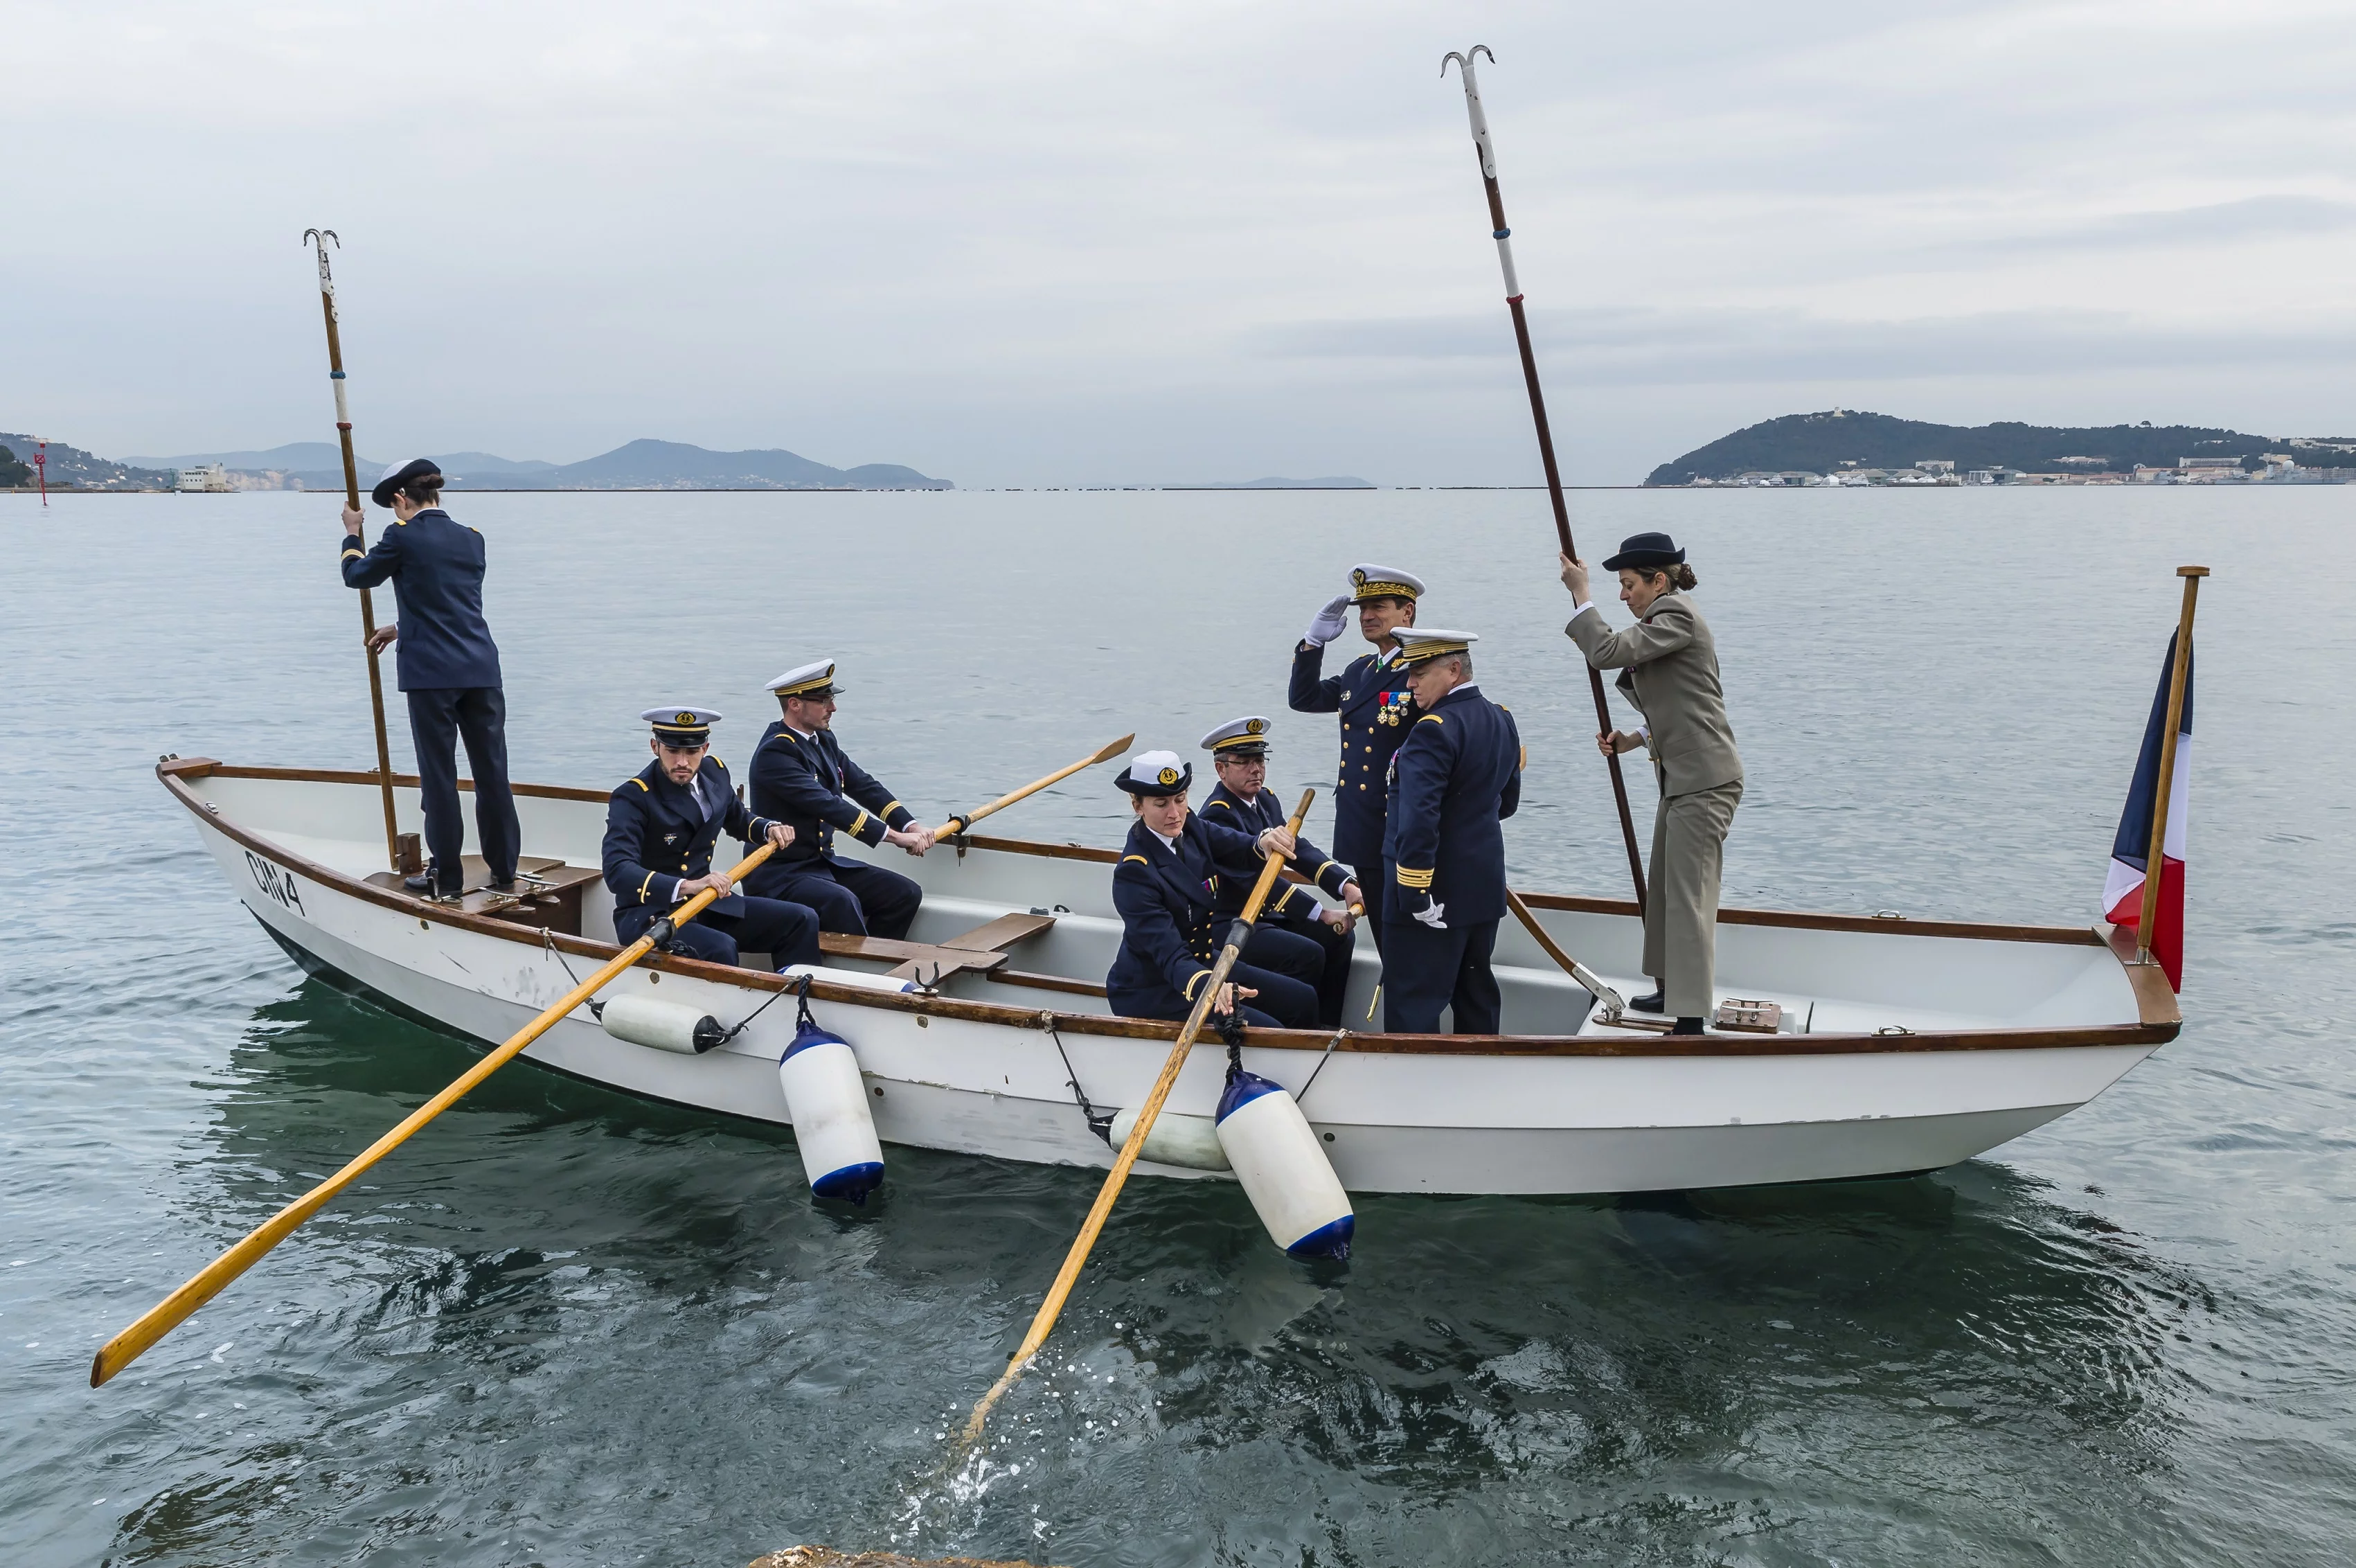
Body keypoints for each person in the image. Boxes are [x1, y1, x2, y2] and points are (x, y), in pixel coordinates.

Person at [1560, 533, 1743, 1035]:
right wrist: (1635, 739)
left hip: (1704, 783)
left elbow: (1605, 651)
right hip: (1682, 778)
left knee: (1688, 897)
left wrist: (1582, 594)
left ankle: (1690, 1015)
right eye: (1617, 587)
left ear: (1658, 581)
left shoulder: (1675, 615)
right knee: (1665, 890)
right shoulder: (1663, 622)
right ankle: (1671, 987)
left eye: (1628, 585)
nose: (1623, 596)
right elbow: (1684, 699)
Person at [340, 458, 521, 902]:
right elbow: (449, 600)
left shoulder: (401, 536)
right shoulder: (473, 539)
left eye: (394, 506)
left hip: (430, 677)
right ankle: (504, 871)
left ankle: (449, 878)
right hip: (481, 670)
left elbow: (356, 576)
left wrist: (351, 533)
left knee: (439, 777)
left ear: (401, 498)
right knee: (492, 774)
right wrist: (402, 626)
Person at [1106, 750, 1321, 1031]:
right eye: (1161, 804)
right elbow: (1170, 956)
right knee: (1268, 1030)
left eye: (1180, 800)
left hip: (1205, 960)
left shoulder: (1189, 825)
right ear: (1138, 806)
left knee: (1302, 999)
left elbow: (1231, 843)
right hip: (1156, 989)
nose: (1174, 814)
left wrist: (1262, 841)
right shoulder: (1134, 873)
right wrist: (1210, 986)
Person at [602, 706, 821, 971]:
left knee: (801, 918)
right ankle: (732, 1013)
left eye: (692, 752)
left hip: (705, 904)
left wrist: (768, 828)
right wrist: (688, 885)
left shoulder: (715, 773)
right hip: (653, 916)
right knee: (721, 947)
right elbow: (617, 871)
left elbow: (738, 818)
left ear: (705, 749)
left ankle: (799, 1002)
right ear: (654, 747)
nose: (682, 762)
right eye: (673, 751)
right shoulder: (634, 797)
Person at [1380, 629, 1522, 1035]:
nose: (1409, 683)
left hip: (1431, 897)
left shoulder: (1433, 729)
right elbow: (1507, 803)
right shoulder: (1501, 717)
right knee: (1475, 998)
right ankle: (1477, 1086)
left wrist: (1415, 893)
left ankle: (1413, 1093)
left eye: (1420, 673)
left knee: (1413, 1006)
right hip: (1481, 888)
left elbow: (1419, 821)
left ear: (1454, 670)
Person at [1287, 565, 1425, 956]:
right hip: (1361, 824)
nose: (1367, 616)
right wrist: (1313, 643)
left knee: (1404, 938)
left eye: (1378, 607)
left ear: (1407, 613)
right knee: (1385, 935)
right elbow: (1304, 699)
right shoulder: (1360, 670)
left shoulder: (1420, 669)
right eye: (1362, 609)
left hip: (1397, 826)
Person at [742, 660, 931, 941]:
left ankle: (880, 966)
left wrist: (909, 825)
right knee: (841, 901)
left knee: (904, 894)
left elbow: (862, 784)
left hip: (819, 863)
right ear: (795, 704)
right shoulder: (776, 753)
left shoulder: (823, 739)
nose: (833, 708)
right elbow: (828, 806)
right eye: (823, 701)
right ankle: (858, 976)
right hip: (779, 873)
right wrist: (893, 838)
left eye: (831, 699)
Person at [1198, 716, 1364, 1027]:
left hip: (1267, 916)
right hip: (1233, 922)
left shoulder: (1265, 800)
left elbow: (1295, 848)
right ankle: (1298, 1032)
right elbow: (1254, 881)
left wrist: (1345, 885)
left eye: (1259, 759)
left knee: (1339, 939)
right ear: (1221, 769)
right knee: (1307, 954)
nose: (1255, 769)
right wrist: (1319, 912)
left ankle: (1327, 1025)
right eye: (1244, 762)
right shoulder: (1217, 816)